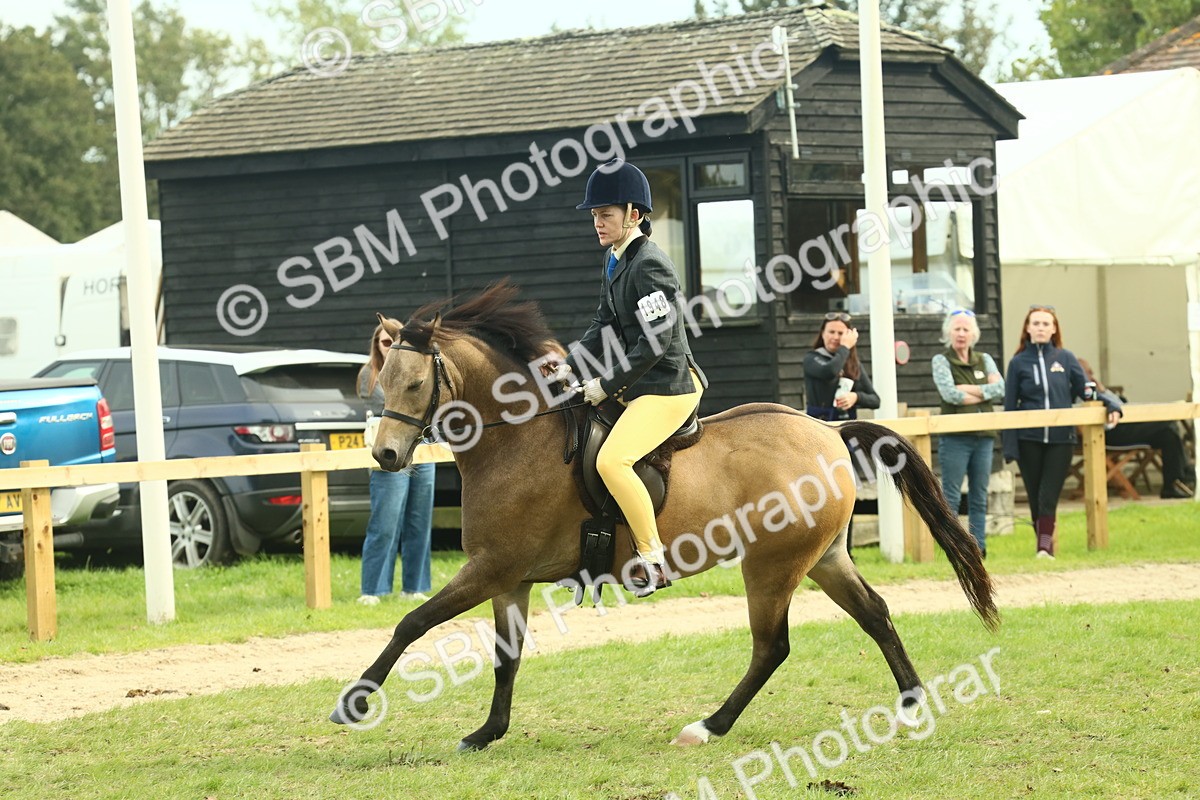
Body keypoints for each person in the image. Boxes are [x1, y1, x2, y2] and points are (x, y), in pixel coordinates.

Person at [549, 159, 708, 597]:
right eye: (595, 216)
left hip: (669, 385)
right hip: (641, 383)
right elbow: (603, 324)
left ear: (634, 215)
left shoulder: (650, 265)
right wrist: (571, 364)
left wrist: (604, 384)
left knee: (611, 461)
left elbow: (655, 345)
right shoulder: (614, 258)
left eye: (606, 215)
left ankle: (653, 560)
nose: (597, 223)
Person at [1003, 305, 1123, 558]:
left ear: (1054, 328)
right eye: (1036, 323)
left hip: (1061, 440)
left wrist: (1111, 403)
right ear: (1027, 328)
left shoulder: (1065, 358)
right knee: (1035, 499)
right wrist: (1010, 446)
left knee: (1048, 495)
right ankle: (1045, 546)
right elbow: (1009, 405)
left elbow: (1086, 390)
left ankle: (1044, 548)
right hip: (1028, 440)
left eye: (1046, 324)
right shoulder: (1017, 363)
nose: (1041, 328)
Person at [357, 320, 436, 605]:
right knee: (385, 524)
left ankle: (414, 586)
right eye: (385, 343)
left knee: (419, 522)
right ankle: (373, 590)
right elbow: (384, 411)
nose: (390, 347)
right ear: (377, 346)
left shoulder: (415, 369)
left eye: (394, 343)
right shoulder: (372, 374)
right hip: (390, 453)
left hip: (423, 451)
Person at [803, 312, 881, 553]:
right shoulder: (813, 358)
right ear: (823, 334)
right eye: (831, 332)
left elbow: (875, 399)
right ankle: (815, 552)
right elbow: (828, 371)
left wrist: (855, 396)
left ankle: (844, 553)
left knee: (846, 496)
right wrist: (846, 348)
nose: (835, 338)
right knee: (819, 495)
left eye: (841, 333)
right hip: (818, 432)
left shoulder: (851, 363)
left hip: (846, 436)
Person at [930, 309, 1004, 558]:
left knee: (979, 494)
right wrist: (985, 391)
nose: (961, 334)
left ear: (974, 334)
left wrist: (969, 390)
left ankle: (978, 547)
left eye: (965, 329)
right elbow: (950, 394)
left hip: (983, 436)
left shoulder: (985, 358)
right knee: (950, 495)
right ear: (948, 333)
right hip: (955, 437)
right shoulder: (941, 360)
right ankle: (952, 547)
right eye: (956, 329)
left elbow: (1001, 388)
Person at [1078, 358, 1194, 499]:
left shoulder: (1097, 388)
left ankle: (1173, 483)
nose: (1092, 374)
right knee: (1167, 424)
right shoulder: (1081, 392)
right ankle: (1185, 474)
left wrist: (1103, 390)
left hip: (1125, 426)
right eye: (1088, 372)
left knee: (1168, 432)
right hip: (1110, 434)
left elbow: (1120, 404)